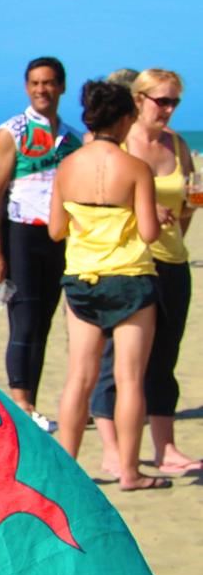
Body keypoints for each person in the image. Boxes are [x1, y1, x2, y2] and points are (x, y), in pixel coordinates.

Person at [49, 80, 166, 492]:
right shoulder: (135, 168)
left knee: (78, 377)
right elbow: (149, 233)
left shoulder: (67, 166)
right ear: (124, 118)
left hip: (82, 278)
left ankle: (66, 470)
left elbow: (56, 229)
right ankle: (130, 472)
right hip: (129, 277)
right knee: (129, 379)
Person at [91, 69, 198, 476]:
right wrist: (145, 209)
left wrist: (184, 214)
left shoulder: (177, 144)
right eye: (162, 101)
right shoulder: (118, 143)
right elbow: (96, 197)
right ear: (138, 99)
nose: (168, 110)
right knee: (116, 361)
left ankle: (165, 447)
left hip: (172, 261)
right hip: (127, 264)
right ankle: (112, 449)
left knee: (164, 358)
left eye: (175, 102)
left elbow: (189, 198)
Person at [0, 57, 82, 432]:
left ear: (62, 86)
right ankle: (20, 404)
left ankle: (31, 403)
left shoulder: (72, 139)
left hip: (59, 238)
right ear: (26, 87)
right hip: (21, 233)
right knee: (23, 321)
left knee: (43, 323)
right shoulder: (11, 132)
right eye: (36, 83)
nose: (42, 90)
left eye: (49, 82)